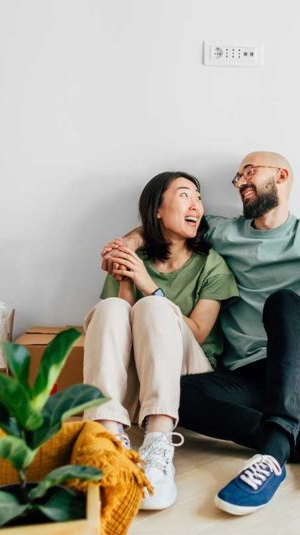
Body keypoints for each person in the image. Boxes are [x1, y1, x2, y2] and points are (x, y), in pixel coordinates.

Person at [101, 152, 300, 515]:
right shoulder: (222, 231)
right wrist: (128, 244)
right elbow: (160, 226)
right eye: (236, 177)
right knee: (172, 397)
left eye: (249, 171)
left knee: (283, 302)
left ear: (281, 175)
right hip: (245, 376)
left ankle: (273, 455)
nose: (240, 181)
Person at [84, 171, 239, 511]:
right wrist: (127, 277)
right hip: (139, 379)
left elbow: (198, 331)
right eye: (186, 195)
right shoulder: (134, 258)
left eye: (199, 198)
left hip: (190, 376)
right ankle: (108, 444)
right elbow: (117, 333)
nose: (196, 205)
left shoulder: (211, 265)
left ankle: (158, 444)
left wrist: (148, 286)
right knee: (110, 308)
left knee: (155, 305)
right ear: (157, 209)